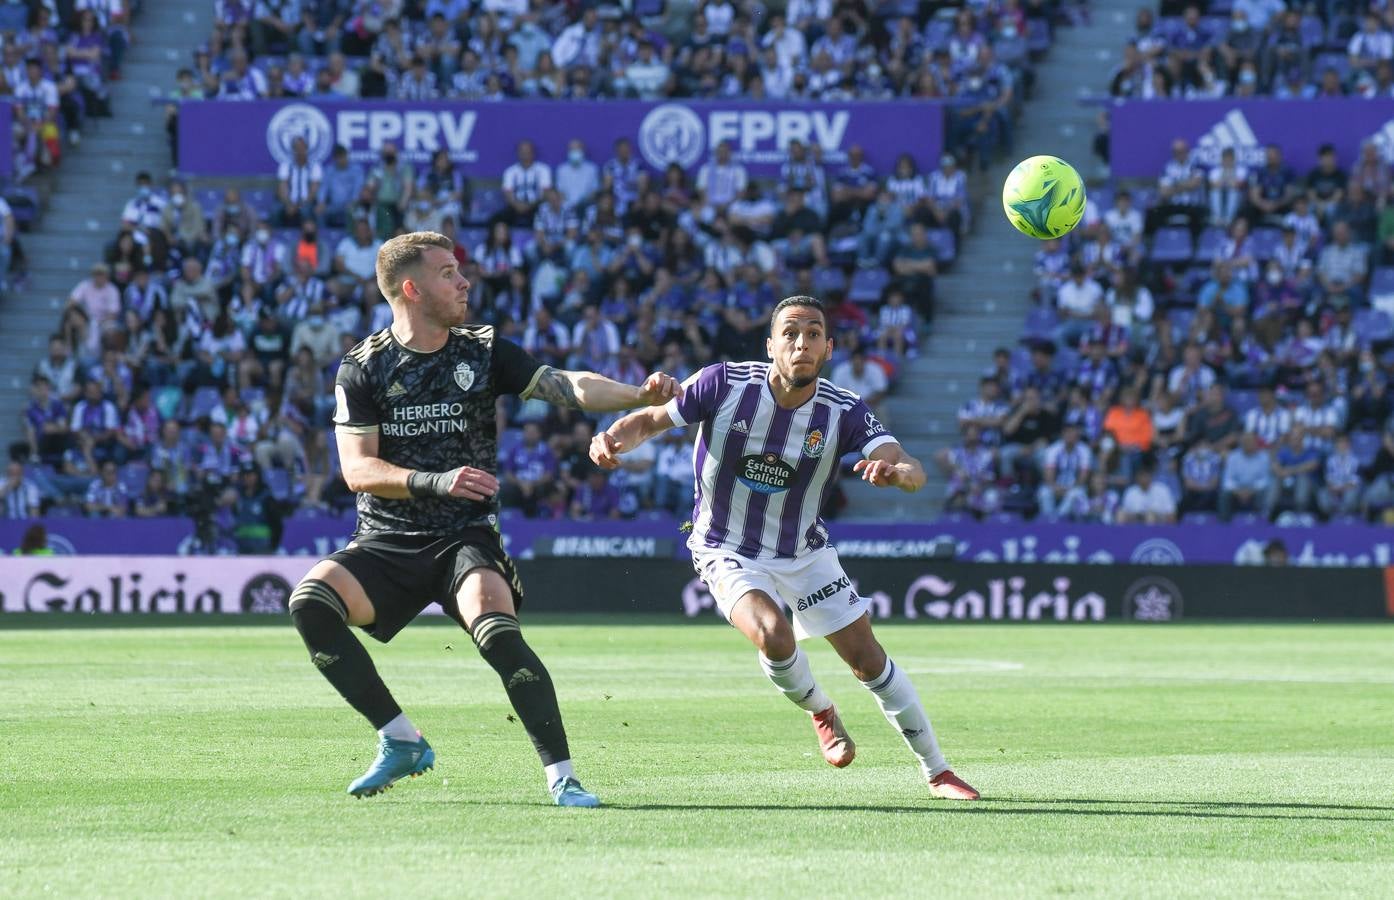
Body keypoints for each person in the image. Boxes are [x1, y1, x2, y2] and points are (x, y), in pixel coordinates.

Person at [290, 231, 679, 805]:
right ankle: (400, 740)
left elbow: (564, 384)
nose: (464, 280)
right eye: (448, 272)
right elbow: (357, 469)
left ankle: (563, 778)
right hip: (387, 537)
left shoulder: (482, 348)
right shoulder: (363, 368)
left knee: (495, 631)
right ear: (411, 289)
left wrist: (637, 397)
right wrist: (434, 479)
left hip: (464, 536)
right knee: (310, 604)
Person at [590, 295, 979, 802]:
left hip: (805, 552)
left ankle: (938, 771)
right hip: (725, 545)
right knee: (773, 634)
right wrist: (612, 440)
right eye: (790, 333)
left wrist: (896, 475)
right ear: (770, 344)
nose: (802, 343)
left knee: (868, 660)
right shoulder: (723, 383)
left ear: (829, 348)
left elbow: (907, 463)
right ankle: (822, 711)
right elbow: (650, 420)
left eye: (814, 333)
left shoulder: (842, 411)